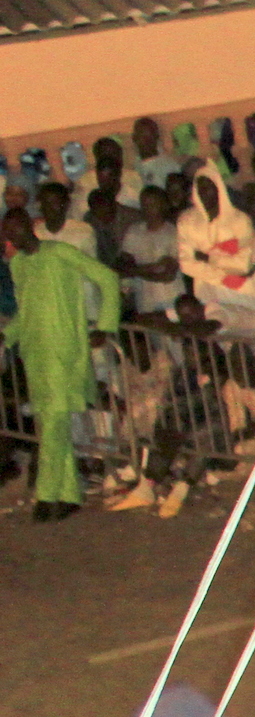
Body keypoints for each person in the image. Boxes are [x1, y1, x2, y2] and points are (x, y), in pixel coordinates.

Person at [5, 221, 121, 519]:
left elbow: (107, 277)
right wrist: (8, 336)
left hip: (64, 353)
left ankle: (46, 495)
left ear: (29, 228)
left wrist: (106, 325)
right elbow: (26, 310)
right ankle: (69, 494)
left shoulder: (60, 253)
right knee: (52, 424)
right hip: (36, 355)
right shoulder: (18, 264)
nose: (12, 236)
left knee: (54, 425)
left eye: (15, 229)